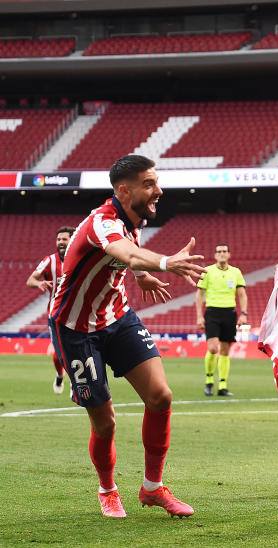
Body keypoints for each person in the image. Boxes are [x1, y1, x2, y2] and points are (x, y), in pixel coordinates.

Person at [49, 154, 206, 518]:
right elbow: (124, 251)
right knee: (105, 422)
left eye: (157, 182)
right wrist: (165, 263)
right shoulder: (101, 222)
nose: (159, 190)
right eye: (149, 184)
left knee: (161, 396)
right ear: (124, 190)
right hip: (76, 328)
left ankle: (152, 488)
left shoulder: (132, 218)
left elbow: (126, 255)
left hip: (117, 317)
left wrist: (140, 276)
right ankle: (107, 489)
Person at [26, 225, 75, 394]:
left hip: (78, 313)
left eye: (64, 239)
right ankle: (60, 376)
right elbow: (30, 280)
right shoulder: (50, 261)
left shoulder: (80, 259)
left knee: (77, 349)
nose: (60, 242)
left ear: (72, 240)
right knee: (59, 352)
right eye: (58, 239)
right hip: (55, 314)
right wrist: (39, 283)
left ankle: (75, 383)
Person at [195, 243, 247, 397]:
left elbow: (242, 294)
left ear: (229, 254)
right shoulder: (208, 271)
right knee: (212, 348)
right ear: (215, 255)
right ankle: (209, 381)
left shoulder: (236, 272)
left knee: (225, 350)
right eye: (219, 251)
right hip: (212, 312)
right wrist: (199, 316)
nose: (222, 254)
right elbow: (199, 295)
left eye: (224, 251)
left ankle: (222, 385)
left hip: (229, 313)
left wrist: (244, 313)